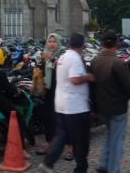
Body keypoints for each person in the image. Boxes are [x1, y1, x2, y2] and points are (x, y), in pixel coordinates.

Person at [90, 30, 130, 173]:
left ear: (102, 44)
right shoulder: (118, 63)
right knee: (117, 142)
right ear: (116, 45)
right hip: (117, 109)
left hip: (101, 108)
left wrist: (94, 108)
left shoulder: (95, 61)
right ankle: (113, 169)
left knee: (111, 136)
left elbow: (91, 86)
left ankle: (104, 163)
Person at [39, 33, 95, 173]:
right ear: (82, 45)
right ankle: (81, 168)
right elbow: (75, 79)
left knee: (61, 136)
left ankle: (48, 163)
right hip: (75, 106)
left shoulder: (63, 57)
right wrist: (88, 77)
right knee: (81, 140)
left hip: (61, 104)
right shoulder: (74, 58)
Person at [35, 33, 73, 160]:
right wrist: (39, 64)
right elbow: (41, 71)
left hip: (61, 91)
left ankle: (69, 147)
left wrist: (51, 59)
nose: (51, 44)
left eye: (54, 41)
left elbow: (63, 68)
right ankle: (49, 143)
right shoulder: (45, 54)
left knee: (63, 119)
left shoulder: (63, 55)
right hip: (49, 91)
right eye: (50, 41)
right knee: (48, 118)